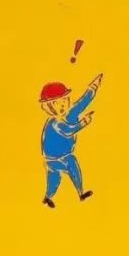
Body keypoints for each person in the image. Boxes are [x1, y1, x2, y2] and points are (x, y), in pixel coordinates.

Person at [39, 73, 103, 207]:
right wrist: (84, 122)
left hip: (62, 157)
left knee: (66, 173)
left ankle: (77, 193)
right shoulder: (55, 122)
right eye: (56, 103)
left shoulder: (68, 114)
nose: (62, 105)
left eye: (64, 100)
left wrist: (93, 87)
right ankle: (51, 197)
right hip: (55, 160)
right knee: (58, 178)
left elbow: (81, 104)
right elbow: (68, 130)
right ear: (49, 106)